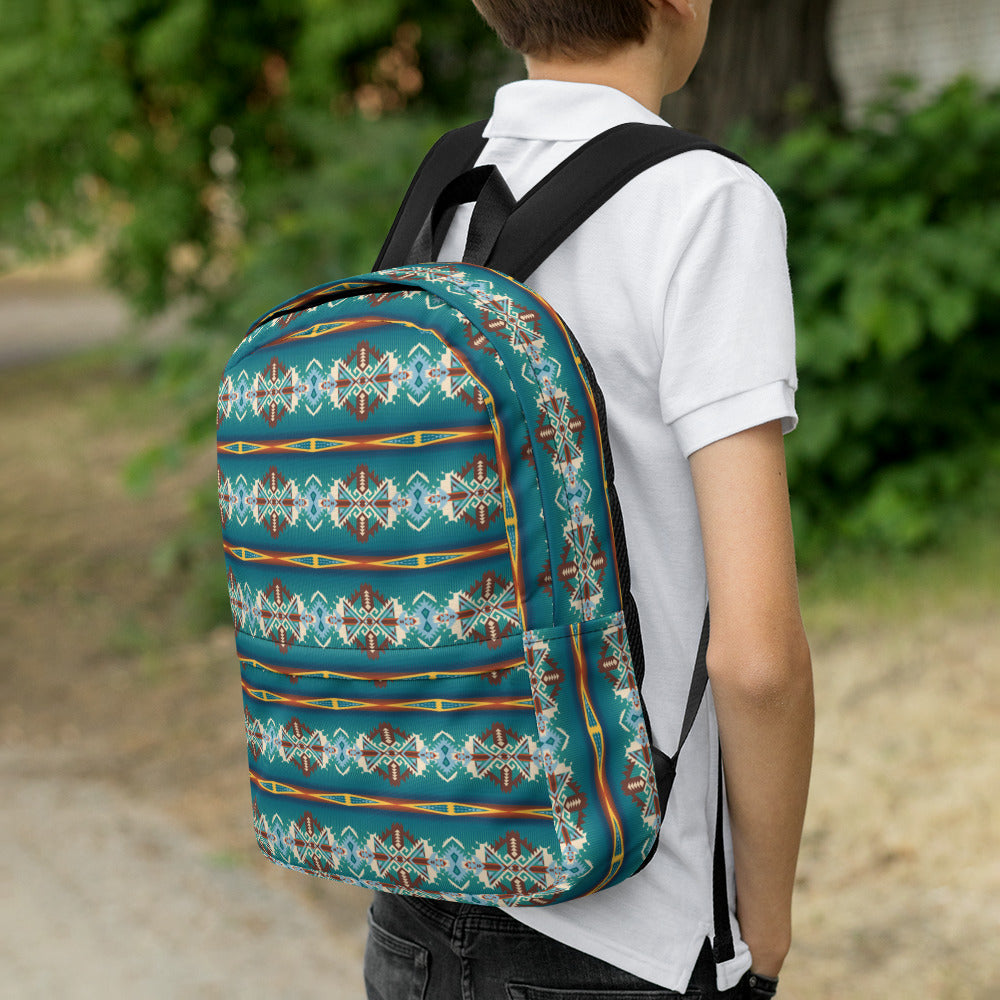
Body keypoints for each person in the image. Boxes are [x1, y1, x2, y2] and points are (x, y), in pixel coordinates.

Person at [363, 2, 814, 997]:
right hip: (624, 926)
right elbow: (756, 658)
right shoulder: (705, 204)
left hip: (414, 888)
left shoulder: (444, 193)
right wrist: (763, 927)